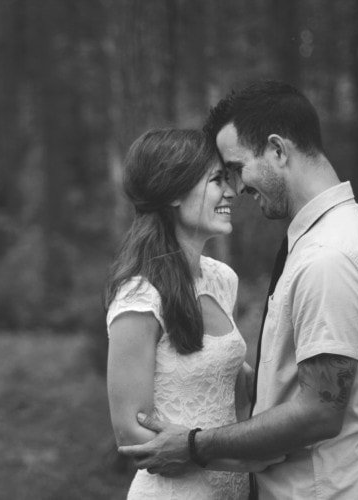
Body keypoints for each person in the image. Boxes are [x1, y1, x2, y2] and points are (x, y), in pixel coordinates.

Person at [118, 82, 358, 500]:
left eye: (235, 167)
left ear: (277, 151)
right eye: (220, 177)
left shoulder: (329, 254)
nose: (236, 187)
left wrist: (196, 445)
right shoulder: (320, 238)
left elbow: (319, 412)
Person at [105, 128, 283, 499]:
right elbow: (131, 434)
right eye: (216, 180)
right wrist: (244, 459)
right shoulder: (140, 297)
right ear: (173, 192)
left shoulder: (222, 279)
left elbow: (228, 383)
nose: (231, 192)